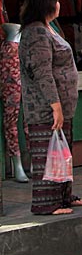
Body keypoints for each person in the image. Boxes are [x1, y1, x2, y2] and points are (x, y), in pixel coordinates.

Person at [18, 0, 82, 215]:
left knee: (62, 152)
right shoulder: (35, 32)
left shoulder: (49, 27)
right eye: (55, 0)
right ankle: (47, 202)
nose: (58, 4)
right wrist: (55, 105)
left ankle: (63, 195)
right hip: (45, 108)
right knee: (47, 153)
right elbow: (41, 71)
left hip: (62, 106)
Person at [1, 23, 28, 182]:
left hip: (19, 44)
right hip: (11, 77)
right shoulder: (8, 48)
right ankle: (17, 162)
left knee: (27, 119)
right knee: (12, 118)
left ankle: (27, 162)